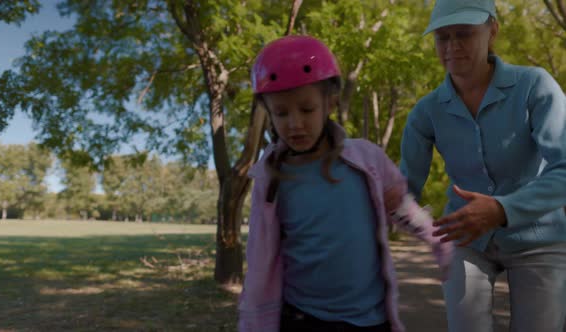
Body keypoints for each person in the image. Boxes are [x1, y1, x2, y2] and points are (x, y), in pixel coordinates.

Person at [238, 35, 453, 332]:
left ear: (330, 102)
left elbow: (402, 207)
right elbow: (259, 259)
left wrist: (438, 239)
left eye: (307, 109)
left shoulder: (366, 160)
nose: (294, 123)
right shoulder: (271, 176)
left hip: (369, 319)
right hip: (302, 318)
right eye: (281, 113)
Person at [400, 0, 566, 331]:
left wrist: (501, 210)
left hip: (541, 237)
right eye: (442, 37)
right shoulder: (426, 111)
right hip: (467, 241)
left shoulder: (535, 86)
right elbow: (403, 191)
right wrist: (419, 225)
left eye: (464, 33)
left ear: (492, 31)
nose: (452, 46)